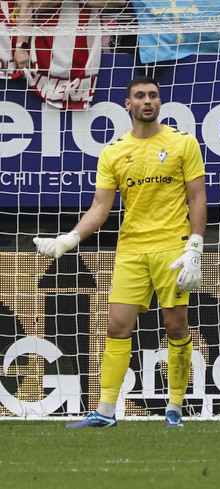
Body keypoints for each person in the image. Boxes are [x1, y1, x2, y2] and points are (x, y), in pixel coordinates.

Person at [34, 75, 207, 428]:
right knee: (116, 326)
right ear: (127, 104)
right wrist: (67, 241)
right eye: (140, 96)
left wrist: (195, 244)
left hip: (172, 248)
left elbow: (197, 197)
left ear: (160, 103)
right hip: (130, 250)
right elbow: (100, 208)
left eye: (153, 96)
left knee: (175, 326)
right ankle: (106, 411)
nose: (148, 101)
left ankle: (174, 407)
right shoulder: (113, 152)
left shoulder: (182, 144)